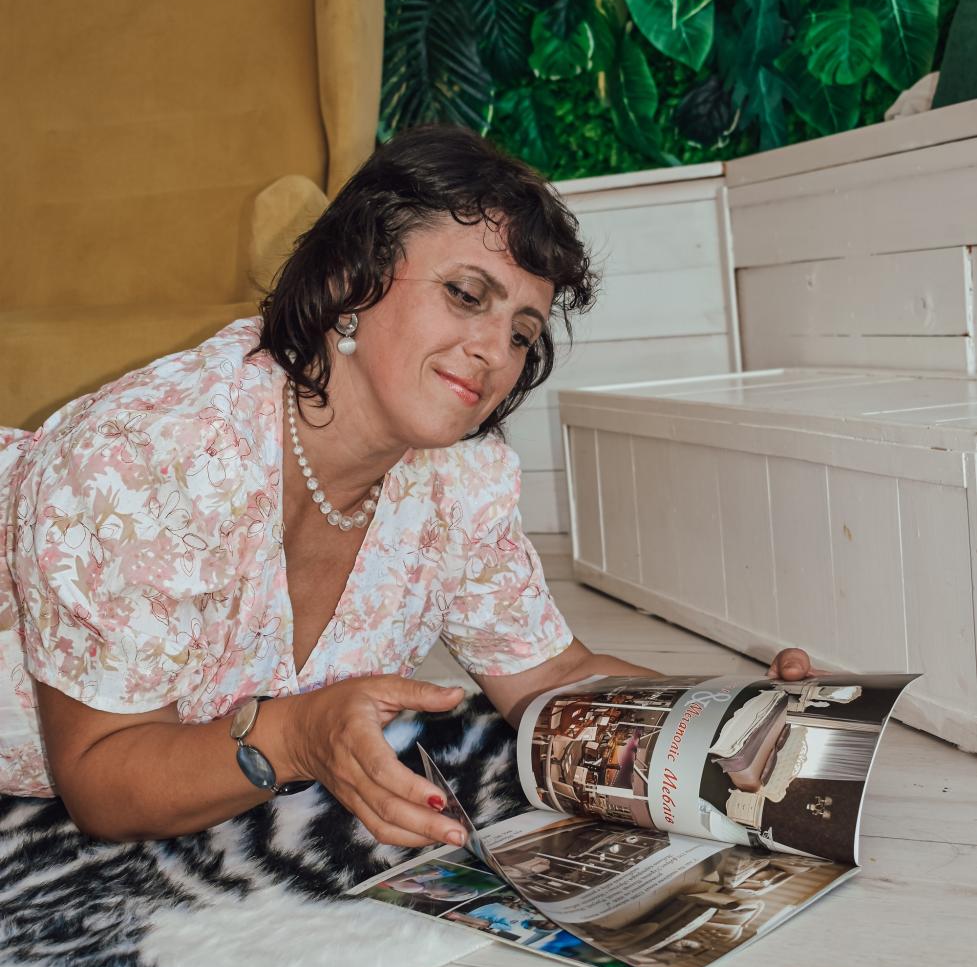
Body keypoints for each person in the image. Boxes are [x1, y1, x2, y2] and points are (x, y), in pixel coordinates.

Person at [0, 124, 811, 844]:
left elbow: (547, 679)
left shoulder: (459, 480)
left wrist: (732, 713)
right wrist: (294, 737)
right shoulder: (148, 456)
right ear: (349, 279)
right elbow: (100, 780)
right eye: (466, 295)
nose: (494, 351)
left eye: (521, 333)